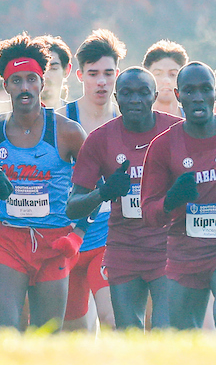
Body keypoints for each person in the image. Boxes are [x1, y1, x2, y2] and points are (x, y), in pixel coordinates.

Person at [0, 33, 86, 331]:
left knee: (47, 335)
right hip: (9, 240)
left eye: (31, 79)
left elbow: (95, 188)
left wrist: (78, 234)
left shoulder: (68, 132)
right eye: (16, 80)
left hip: (54, 242)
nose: (25, 87)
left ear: (43, 82)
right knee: (8, 330)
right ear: (5, 85)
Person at [67, 67, 176, 330]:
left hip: (167, 247)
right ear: (117, 97)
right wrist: (104, 192)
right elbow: (72, 207)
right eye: (127, 94)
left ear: (154, 96)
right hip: (123, 249)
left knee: (164, 328)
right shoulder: (100, 140)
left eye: (142, 93)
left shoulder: (175, 132)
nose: (135, 100)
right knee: (128, 332)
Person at [141, 61, 216, 329]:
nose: (198, 97)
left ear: (214, 93)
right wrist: (171, 200)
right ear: (177, 95)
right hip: (186, 253)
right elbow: (148, 213)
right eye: (190, 90)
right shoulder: (163, 146)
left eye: (205, 89)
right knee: (183, 336)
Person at [61, 29, 125, 332]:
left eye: (108, 73)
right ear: (79, 75)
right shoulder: (62, 122)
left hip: (109, 237)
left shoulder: (128, 121)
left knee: (113, 319)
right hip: (66, 237)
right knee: (73, 332)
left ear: (118, 74)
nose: (102, 81)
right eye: (94, 73)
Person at [144, 40, 187, 119]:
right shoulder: (135, 122)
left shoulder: (195, 121)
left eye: (173, 74)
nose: (166, 80)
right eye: (158, 74)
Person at [36, 35, 72, 110]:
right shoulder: (12, 116)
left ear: (67, 70)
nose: (45, 76)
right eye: (40, 69)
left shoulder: (77, 116)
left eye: (53, 69)